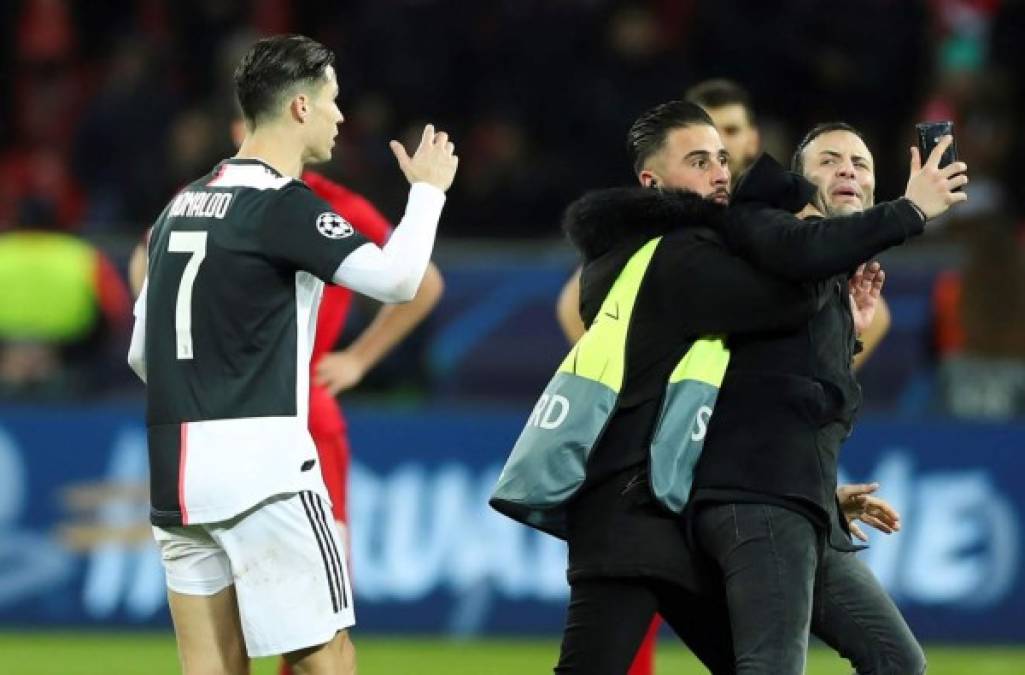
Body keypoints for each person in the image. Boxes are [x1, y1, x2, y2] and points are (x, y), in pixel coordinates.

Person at [493, 101, 905, 675]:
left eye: (721, 158)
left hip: (672, 505)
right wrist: (814, 244)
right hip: (630, 513)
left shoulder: (661, 253)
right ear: (651, 179)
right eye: (698, 160)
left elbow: (733, 387)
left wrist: (805, 485)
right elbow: (786, 295)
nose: (719, 172)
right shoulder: (674, 258)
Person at [127, 34, 458, 675]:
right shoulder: (281, 205)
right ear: (300, 107)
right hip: (263, 468)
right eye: (333, 101)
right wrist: (428, 193)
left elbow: (144, 353)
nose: (341, 116)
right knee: (326, 657)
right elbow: (398, 280)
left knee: (212, 667)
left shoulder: (176, 209)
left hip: (175, 470)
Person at [689, 122, 967, 674]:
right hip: (760, 503)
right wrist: (910, 211)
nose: (848, 170)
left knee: (898, 664)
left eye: (861, 164)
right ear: (797, 184)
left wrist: (849, 335)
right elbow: (809, 249)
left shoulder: (822, 284)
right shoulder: (767, 232)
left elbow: (784, 392)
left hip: (804, 505)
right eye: (830, 160)